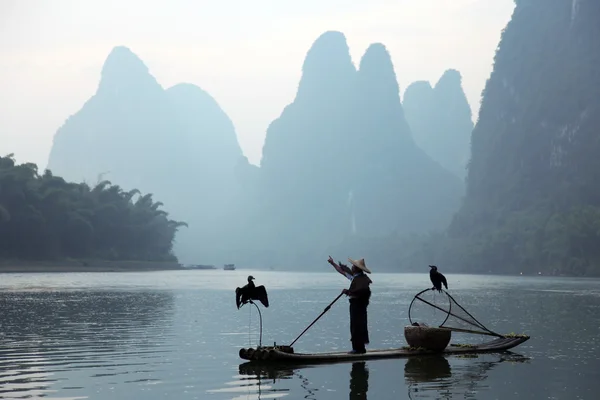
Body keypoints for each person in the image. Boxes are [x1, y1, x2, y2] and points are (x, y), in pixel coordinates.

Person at [327, 256, 372, 354]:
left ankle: (358, 349)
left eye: (353, 266)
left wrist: (348, 292)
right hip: (355, 305)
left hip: (359, 306)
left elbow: (360, 291)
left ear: (356, 268)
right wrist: (332, 263)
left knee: (357, 326)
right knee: (355, 325)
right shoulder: (355, 277)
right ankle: (359, 348)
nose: (351, 267)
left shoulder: (362, 279)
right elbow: (342, 271)